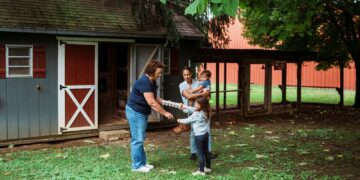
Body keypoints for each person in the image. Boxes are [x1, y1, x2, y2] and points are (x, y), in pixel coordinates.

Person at [126, 60, 174, 173]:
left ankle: (142, 163)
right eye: (158, 72)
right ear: (151, 72)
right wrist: (165, 113)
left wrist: (169, 103)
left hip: (141, 112)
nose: (160, 75)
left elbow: (156, 98)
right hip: (135, 111)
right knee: (137, 139)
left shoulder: (151, 81)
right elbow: (152, 102)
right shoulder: (144, 82)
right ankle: (137, 166)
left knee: (140, 138)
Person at [179, 67, 215, 161]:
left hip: (202, 109)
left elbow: (208, 93)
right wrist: (200, 95)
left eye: (188, 74)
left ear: (191, 74)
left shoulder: (198, 82)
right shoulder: (181, 85)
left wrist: (193, 95)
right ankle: (193, 152)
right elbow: (188, 96)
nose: (186, 76)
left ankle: (209, 151)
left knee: (207, 130)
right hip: (190, 110)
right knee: (193, 132)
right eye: (184, 75)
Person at [178, 96, 212, 176]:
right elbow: (193, 109)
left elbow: (187, 120)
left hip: (199, 136)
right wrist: (184, 107)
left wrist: (179, 120)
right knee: (206, 152)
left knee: (200, 154)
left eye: (197, 103)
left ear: (201, 105)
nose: (195, 104)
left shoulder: (197, 114)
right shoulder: (206, 110)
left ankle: (201, 171)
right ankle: (208, 168)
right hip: (205, 134)